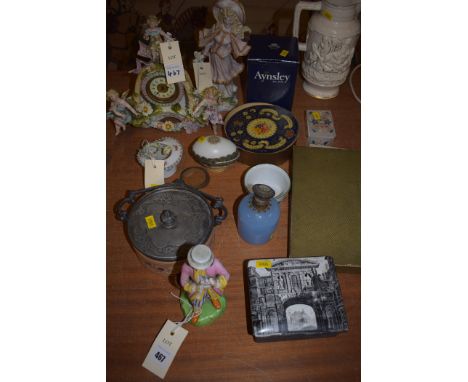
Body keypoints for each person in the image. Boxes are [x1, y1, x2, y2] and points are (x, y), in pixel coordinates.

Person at [198, 0, 251, 100]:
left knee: (226, 77)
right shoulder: (216, 27)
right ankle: (218, 93)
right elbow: (209, 42)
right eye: (225, 16)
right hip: (214, 56)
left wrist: (231, 47)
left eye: (230, 17)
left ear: (234, 18)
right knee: (215, 76)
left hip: (224, 58)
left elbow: (236, 48)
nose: (227, 19)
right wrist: (204, 53)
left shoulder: (234, 32)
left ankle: (228, 92)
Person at [179, 244, 230, 324]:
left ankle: (214, 299)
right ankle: (197, 311)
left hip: (211, 285)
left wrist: (216, 282)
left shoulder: (215, 264)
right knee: (196, 300)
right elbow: (183, 280)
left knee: (213, 293)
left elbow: (226, 275)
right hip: (197, 287)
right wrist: (191, 287)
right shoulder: (186, 266)